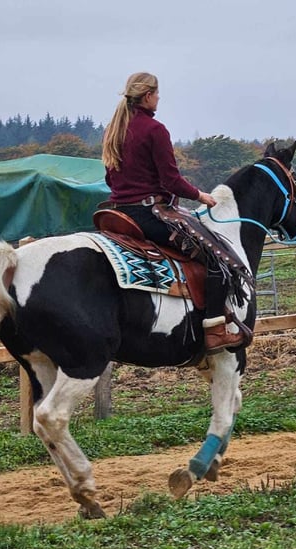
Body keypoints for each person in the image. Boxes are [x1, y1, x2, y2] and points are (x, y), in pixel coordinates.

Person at [101, 72, 246, 352]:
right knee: (216, 256)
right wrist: (201, 196)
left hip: (119, 213)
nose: (158, 99)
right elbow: (170, 181)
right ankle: (215, 330)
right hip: (149, 215)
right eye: (157, 94)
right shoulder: (155, 130)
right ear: (147, 96)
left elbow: (110, 179)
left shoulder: (114, 129)